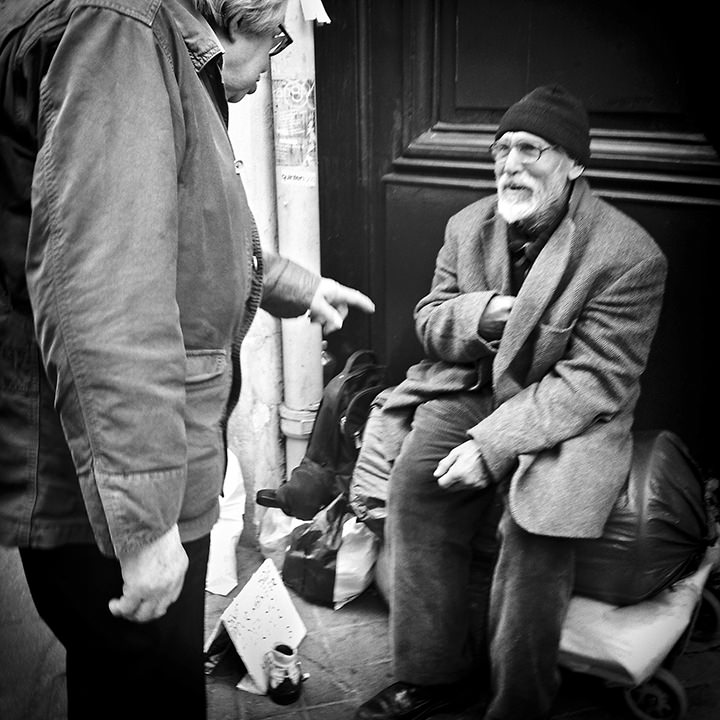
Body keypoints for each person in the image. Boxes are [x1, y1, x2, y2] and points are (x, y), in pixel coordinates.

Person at [0, 1, 374, 719]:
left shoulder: (145, 40)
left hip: (113, 479)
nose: (271, 71)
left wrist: (297, 285)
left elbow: (190, 235)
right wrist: (144, 527)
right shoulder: (122, 33)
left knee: (123, 687)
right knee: (150, 695)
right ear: (239, 14)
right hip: (110, 492)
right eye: (275, 43)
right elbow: (104, 286)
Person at [354, 84, 667, 720]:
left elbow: (595, 380)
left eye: (531, 149)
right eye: (501, 150)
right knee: (416, 491)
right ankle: (434, 676)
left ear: (575, 163)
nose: (510, 165)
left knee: (537, 527)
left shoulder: (629, 256)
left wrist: (493, 446)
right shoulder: (466, 227)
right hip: (470, 389)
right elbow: (431, 323)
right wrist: (484, 316)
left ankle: (519, 702)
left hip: (568, 416)